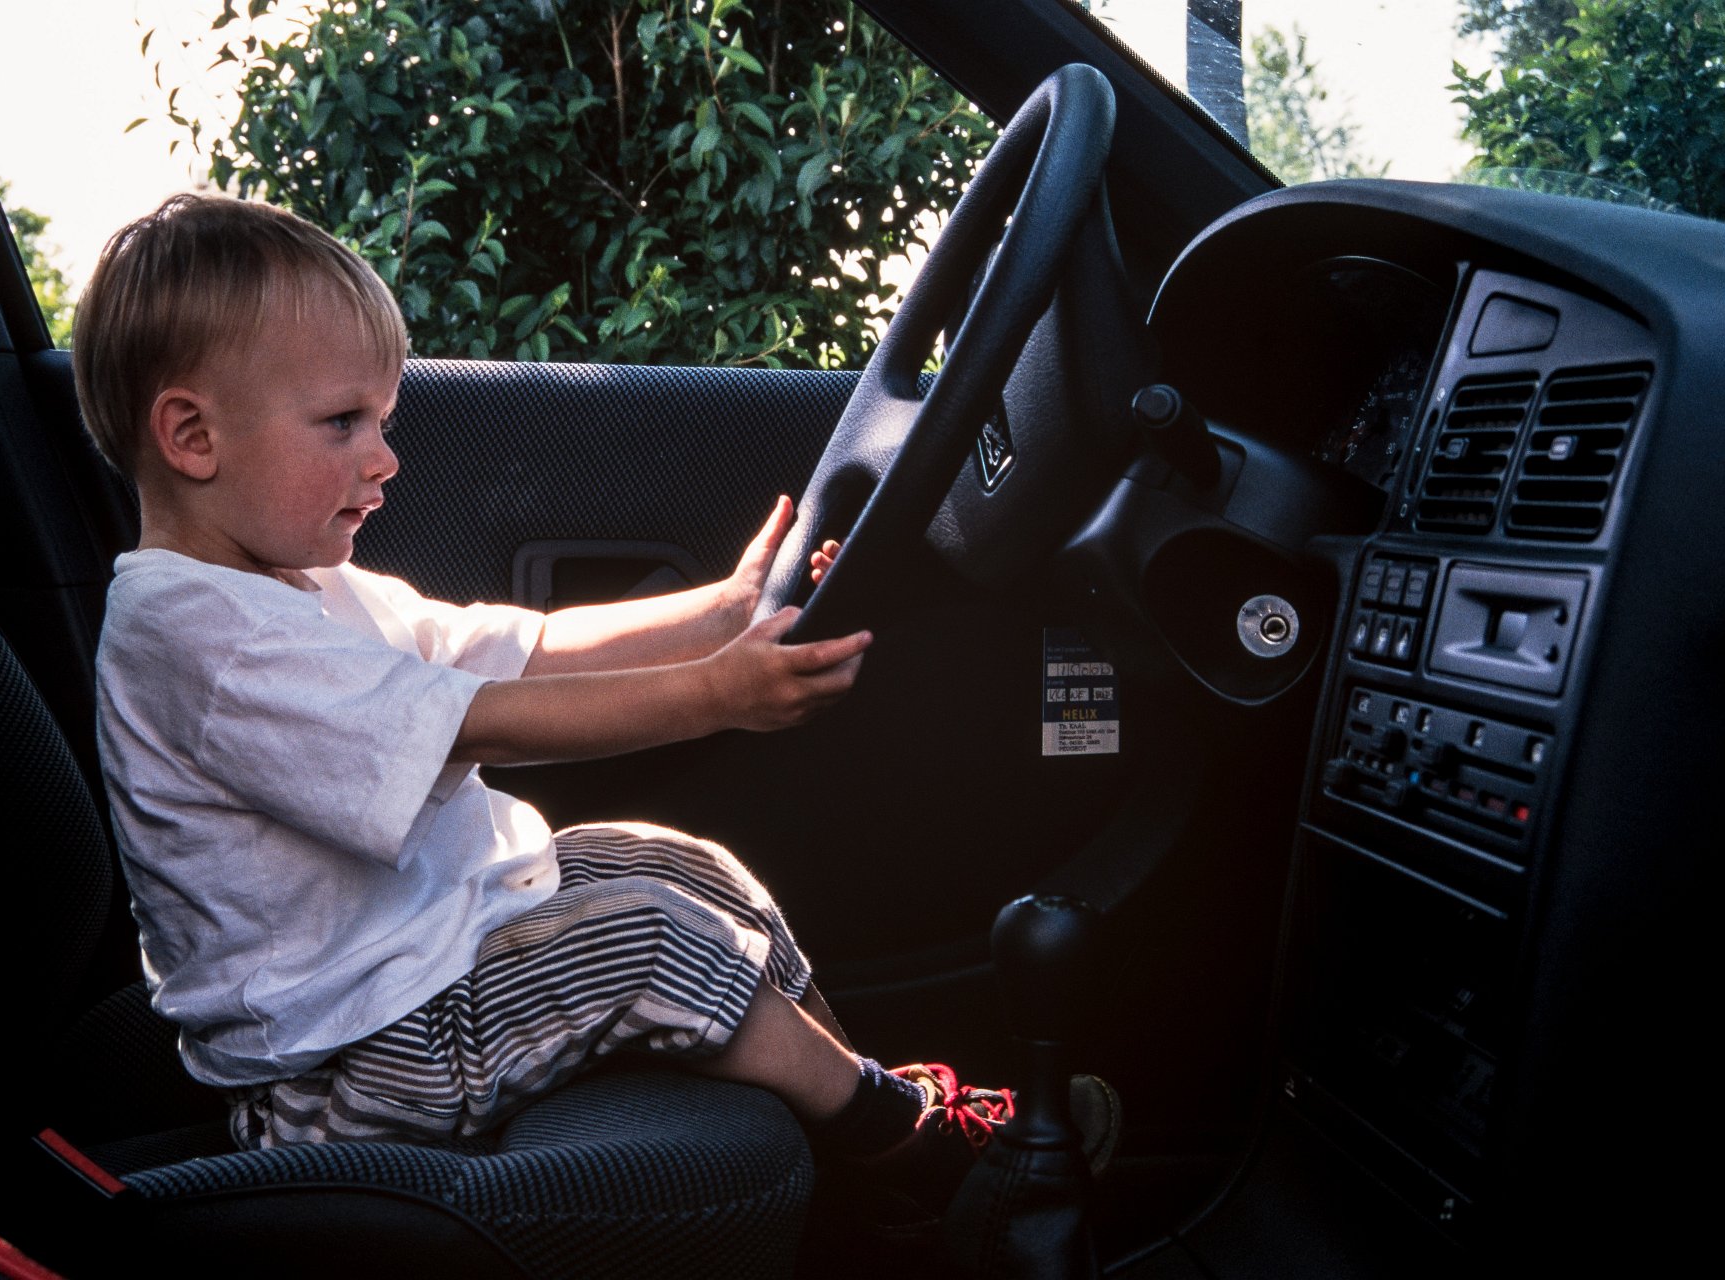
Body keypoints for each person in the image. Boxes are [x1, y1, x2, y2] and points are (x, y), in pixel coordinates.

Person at [77, 193, 1108, 1222]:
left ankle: (859, 1117)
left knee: (677, 864)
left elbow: (513, 648)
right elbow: (478, 716)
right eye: (344, 423)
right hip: (341, 1074)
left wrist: (724, 611)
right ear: (193, 435)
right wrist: (717, 692)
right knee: (651, 935)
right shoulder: (195, 633)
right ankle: (917, 1150)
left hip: (421, 973)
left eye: (383, 422)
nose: (384, 458)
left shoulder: (297, 587)